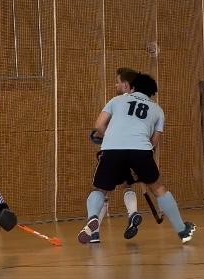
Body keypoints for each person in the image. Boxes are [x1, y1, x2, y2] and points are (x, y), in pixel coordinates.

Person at [81, 72, 196, 245]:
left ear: (133, 87)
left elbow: (99, 125)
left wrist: (109, 137)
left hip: (112, 149)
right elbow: (154, 141)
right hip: (141, 150)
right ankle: (182, 230)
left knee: (99, 189)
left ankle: (93, 218)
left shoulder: (116, 100)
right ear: (152, 93)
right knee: (158, 188)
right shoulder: (157, 110)